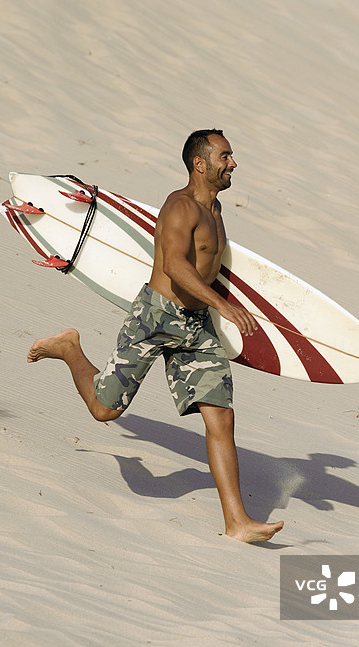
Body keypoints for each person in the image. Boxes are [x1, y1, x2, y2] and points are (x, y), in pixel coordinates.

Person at [27, 129, 284, 543]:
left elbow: (208, 267)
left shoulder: (216, 208)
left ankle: (237, 522)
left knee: (221, 416)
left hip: (196, 328)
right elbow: (177, 265)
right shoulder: (180, 207)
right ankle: (70, 348)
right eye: (226, 156)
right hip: (157, 316)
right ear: (200, 163)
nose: (233, 163)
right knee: (104, 410)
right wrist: (223, 305)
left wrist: (217, 307)